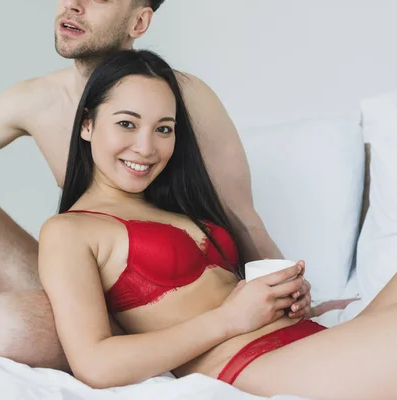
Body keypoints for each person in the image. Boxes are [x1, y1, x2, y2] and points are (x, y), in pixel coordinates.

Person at [0, 0, 332, 370]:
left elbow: (241, 216)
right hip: (91, 287)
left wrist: (284, 297)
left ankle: (148, 353)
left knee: (8, 323)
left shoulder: (183, 99)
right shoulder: (36, 99)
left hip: (171, 297)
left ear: (139, 19)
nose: (73, 6)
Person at [37, 48, 396, 400]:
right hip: (256, 363)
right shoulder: (69, 231)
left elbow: (225, 295)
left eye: (164, 129)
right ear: (87, 124)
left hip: (308, 338)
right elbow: (95, 364)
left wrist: (289, 301)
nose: (146, 148)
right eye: (127, 124)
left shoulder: (177, 209)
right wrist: (230, 318)